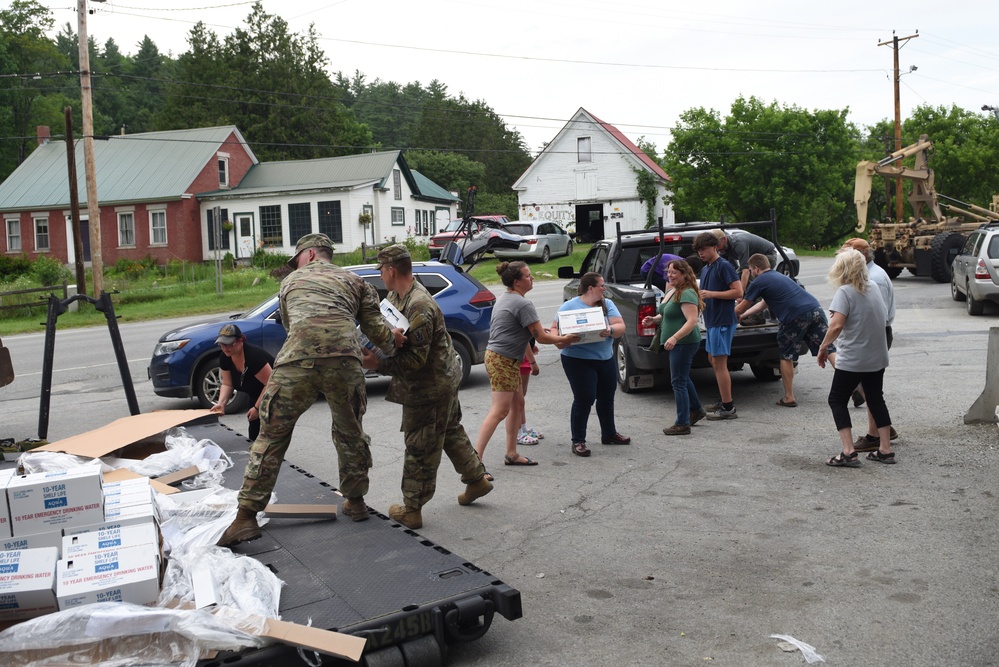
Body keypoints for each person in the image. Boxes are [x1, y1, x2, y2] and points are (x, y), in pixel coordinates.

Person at [217, 234, 405, 547]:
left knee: (271, 436)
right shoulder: (357, 282)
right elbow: (376, 332)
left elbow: (293, 328)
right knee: (350, 434)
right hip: (344, 362)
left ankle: (245, 517)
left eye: (297, 258)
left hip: (297, 362)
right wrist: (392, 340)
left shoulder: (290, 282)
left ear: (309, 255)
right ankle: (356, 502)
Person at [360, 244, 492, 530]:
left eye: (381, 270)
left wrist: (377, 366)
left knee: (420, 445)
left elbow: (416, 362)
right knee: (450, 433)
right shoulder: (398, 295)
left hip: (430, 387)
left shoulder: (420, 304)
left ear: (392, 270)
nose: (381, 276)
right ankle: (477, 481)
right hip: (439, 381)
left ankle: (412, 508)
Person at [474, 261, 578, 473]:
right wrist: (564, 338)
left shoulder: (508, 298)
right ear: (517, 281)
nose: (532, 279)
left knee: (517, 404)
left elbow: (522, 335)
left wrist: (534, 353)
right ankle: (474, 464)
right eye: (528, 276)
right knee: (499, 410)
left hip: (502, 357)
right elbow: (540, 336)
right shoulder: (522, 304)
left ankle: (511, 453)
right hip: (502, 359)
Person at [817, 248, 896, 467]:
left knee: (837, 400)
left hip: (854, 358)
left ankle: (849, 452)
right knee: (875, 397)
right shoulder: (873, 288)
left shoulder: (845, 291)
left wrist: (823, 347)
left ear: (842, 269)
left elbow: (836, 325)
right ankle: (885, 450)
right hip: (877, 355)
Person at [734, 253, 835, 407]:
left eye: (750, 269)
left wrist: (729, 313)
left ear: (755, 268)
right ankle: (856, 386)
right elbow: (763, 304)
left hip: (794, 316)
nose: (751, 273)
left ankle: (789, 397)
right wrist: (744, 316)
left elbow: (742, 306)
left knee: (786, 355)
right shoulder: (779, 277)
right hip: (815, 310)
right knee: (827, 348)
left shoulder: (759, 281)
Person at [553, 272, 629, 456]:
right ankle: (578, 440)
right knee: (585, 398)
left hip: (604, 358)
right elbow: (554, 329)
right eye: (602, 285)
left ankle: (609, 434)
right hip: (577, 359)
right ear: (590, 288)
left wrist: (609, 330)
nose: (604, 288)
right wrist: (562, 339)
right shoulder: (569, 306)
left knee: (606, 397)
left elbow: (620, 326)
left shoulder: (607, 304)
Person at [840, 238, 900, 448]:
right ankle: (881, 431)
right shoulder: (867, 276)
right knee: (869, 388)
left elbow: (877, 316)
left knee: (870, 390)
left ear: (861, 256)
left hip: (874, 335)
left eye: (846, 255)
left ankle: (876, 435)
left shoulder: (875, 278)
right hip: (871, 336)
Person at [642, 260, 704, 435]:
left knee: (678, 382)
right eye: (668, 272)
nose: (670, 275)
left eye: (674, 272)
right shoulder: (672, 291)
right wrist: (653, 319)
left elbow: (692, 321)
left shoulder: (687, 293)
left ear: (684, 274)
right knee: (682, 378)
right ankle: (696, 410)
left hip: (684, 343)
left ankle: (682, 423)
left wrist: (675, 337)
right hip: (677, 343)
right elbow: (667, 313)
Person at [693, 232, 743, 419]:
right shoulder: (707, 268)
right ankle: (724, 399)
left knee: (720, 363)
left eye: (704, 249)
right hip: (712, 320)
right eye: (698, 250)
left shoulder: (724, 266)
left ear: (715, 247)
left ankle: (729, 408)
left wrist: (713, 294)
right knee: (713, 360)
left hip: (722, 320)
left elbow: (738, 292)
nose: (701, 253)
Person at [209, 323, 274, 441]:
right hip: (256, 393)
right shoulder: (225, 356)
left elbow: (270, 384)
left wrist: (257, 407)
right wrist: (221, 403)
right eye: (222, 344)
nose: (225, 348)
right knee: (254, 428)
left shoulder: (254, 356)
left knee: (269, 429)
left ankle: (270, 457)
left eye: (229, 344)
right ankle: (256, 455)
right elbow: (227, 384)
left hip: (275, 392)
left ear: (241, 340)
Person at [713, 229, 778, 294]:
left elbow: (745, 271)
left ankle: (755, 301)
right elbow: (731, 271)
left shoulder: (738, 244)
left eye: (718, 245)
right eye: (714, 247)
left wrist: (740, 294)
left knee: (751, 277)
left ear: (724, 239)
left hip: (768, 256)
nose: (717, 249)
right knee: (736, 277)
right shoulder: (723, 248)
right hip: (753, 258)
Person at [517, 340, 543, 446]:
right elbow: (524, 338)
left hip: (523, 355)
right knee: (516, 400)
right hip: (518, 355)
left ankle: (523, 428)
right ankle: (518, 432)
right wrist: (533, 362)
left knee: (521, 398)